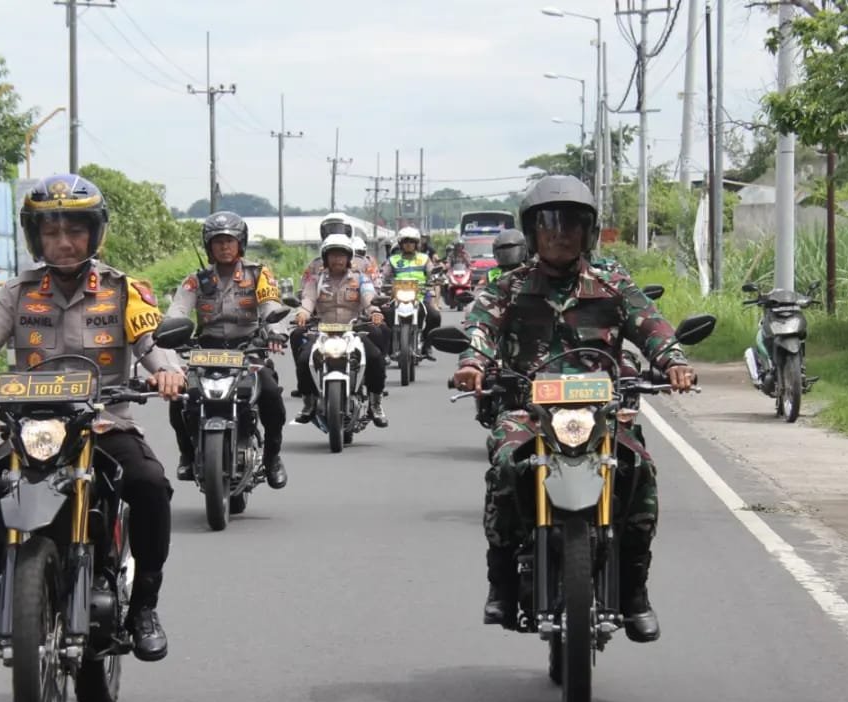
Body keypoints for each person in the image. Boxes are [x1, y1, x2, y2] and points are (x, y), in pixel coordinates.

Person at [0, 173, 184, 662]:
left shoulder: (123, 290)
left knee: (149, 483)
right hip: (33, 427)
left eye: (74, 230)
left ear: (95, 232)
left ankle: (145, 606)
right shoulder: (17, 293)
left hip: (104, 423)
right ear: (34, 237)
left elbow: (151, 344)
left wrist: (168, 374)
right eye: (50, 231)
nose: (63, 242)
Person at [452, 174, 696, 642]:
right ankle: (501, 582)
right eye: (549, 224)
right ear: (532, 232)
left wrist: (674, 362)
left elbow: (652, 325)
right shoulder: (509, 286)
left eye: (571, 223)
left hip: (602, 412)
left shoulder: (611, 283)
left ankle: (635, 592)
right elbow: (480, 326)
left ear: (587, 231)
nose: (559, 233)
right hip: (528, 409)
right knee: (504, 466)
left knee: (640, 469)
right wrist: (473, 363)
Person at [162, 211, 290, 489]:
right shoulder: (195, 280)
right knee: (179, 396)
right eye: (217, 241)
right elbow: (177, 311)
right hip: (205, 351)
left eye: (229, 240)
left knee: (270, 395)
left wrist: (277, 333)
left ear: (240, 243)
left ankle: (272, 458)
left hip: (249, 349)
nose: (224, 246)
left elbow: (270, 305)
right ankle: (186, 453)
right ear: (209, 246)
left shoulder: (258, 274)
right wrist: (169, 332)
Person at [292, 233, 389, 427]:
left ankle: (375, 403)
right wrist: (302, 313)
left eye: (341, 255)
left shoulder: (360, 279)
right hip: (322, 332)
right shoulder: (316, 279)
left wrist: (374, 312)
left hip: (352, 331)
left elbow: (369, 297)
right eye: (333, 255)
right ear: (325, 258)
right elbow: (308, 299)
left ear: (348, 258)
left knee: (375, 357)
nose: (337, 259)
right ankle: (309, 402)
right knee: (303, 358)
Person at [380, 226, 442, 359]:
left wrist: (436, 279)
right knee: (384, 314)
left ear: (416, 243)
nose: (409, 244)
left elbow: (432, 272)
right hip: (397, 296)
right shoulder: (393, 260)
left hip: (419, 295)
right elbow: (383, 276)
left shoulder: (424, 258)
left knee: (435, 316)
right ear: (401, 244)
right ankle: (389, 347)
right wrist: (380, 284)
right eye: (406, 241)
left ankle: (427, 344)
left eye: (412, 242)